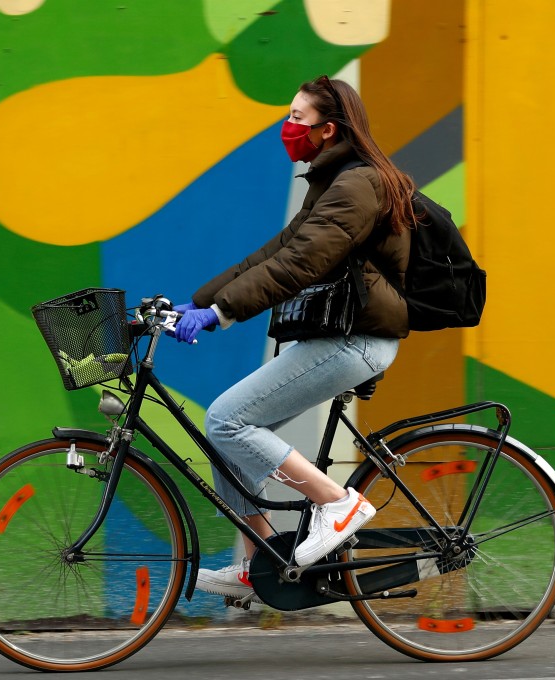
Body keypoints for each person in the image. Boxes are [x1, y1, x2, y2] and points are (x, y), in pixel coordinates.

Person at [172, 75, 415, 604]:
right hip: (346, 335)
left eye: (297, 119)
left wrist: (222, 312)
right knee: (224, 435)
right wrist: (201, 300)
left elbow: (300, 264)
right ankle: (260, 563)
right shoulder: (334, 180)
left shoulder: (357, 185)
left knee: (226, 419)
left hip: (358, 340)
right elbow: (276, 249)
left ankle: (338, 504)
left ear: (328, 130)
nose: (288, 128)